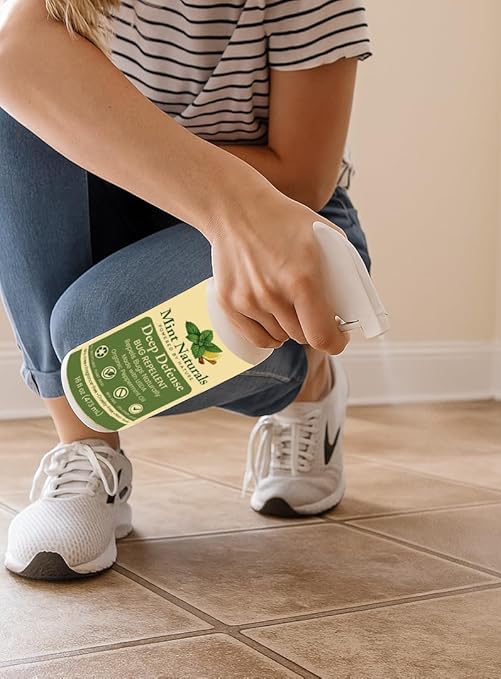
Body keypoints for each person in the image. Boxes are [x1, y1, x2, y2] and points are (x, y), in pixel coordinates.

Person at [0, 0, 373, 580]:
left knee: (93, 324)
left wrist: (119, 142)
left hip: (282, 217)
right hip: (137, 209)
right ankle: (87, 451)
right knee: (16, 113)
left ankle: (310, 386)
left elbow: (302, 175)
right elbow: (19, 57)